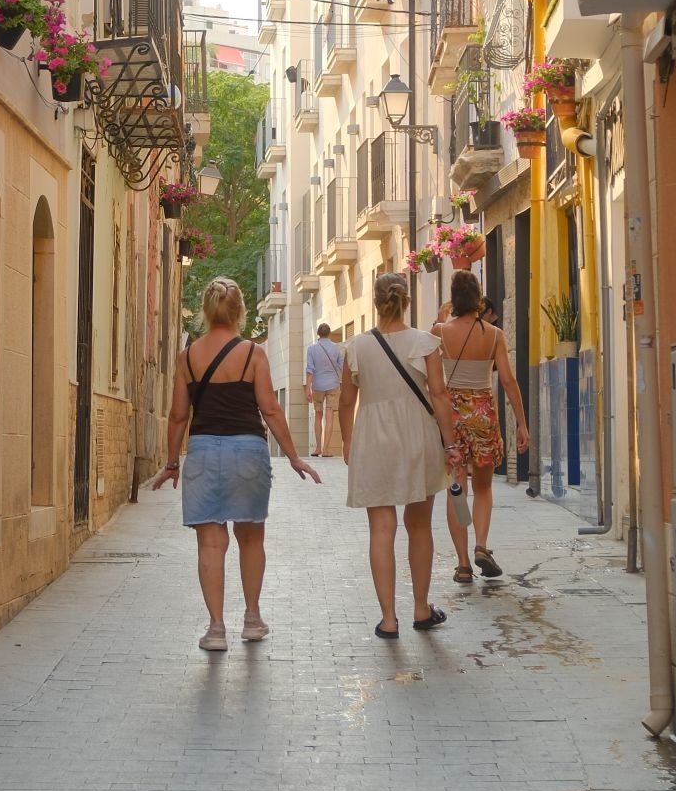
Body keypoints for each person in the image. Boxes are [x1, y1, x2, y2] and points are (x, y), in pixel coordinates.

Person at [152, 277, 321, 652]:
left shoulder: (187, 357)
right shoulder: (252, 354)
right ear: (239, 311)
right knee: (251, 537)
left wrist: (170, 463)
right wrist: (294, 456)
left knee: (210, 544)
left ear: (206, 312)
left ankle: (215, 628)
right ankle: (253, 618)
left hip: (203, 453)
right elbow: (270, 408)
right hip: (248, 451)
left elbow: (178, 416)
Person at [338, 271, 460, 637]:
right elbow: (439, 396)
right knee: (419, 525)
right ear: (406, 301)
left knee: (381, 529)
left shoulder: (355, 347)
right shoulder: (425, 342)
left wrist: (347, 442)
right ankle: (421, 608)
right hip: (417, 437)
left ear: (375, 303)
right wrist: (451, 443)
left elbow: (346, 402)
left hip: (373, 438)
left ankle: (388, 618)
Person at [435, 270, 529, 583]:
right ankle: (481, 546)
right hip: (483, 413)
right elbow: (507, 380)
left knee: (456, 489)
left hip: (452, 416)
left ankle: (462, 563)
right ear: (478, 298)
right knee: (484, 487)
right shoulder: (494, 335)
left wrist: (441, 317)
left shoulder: (439, 331)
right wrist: (522, 423)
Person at [303, 323, 345, 456]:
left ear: (318, 334)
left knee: (318, 416)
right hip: (333, 384)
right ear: (330, 333)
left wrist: (307, 389)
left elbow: (310, 370)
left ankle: (317, 448)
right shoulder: (337, 348)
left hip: (318, 386)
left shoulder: (311, 349)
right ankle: (326, 449)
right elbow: (341, 367)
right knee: (330, 416)